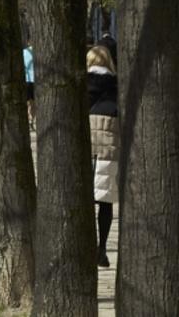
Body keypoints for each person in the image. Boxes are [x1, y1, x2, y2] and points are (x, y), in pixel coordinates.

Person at [87, 45, 119, 268]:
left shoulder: (81, 85)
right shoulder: (116, 86)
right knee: (105, 201)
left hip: (85, 147)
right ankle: (102, 249)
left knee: (84, 200)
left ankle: (85, 246)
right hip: (109, 149)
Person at [22, 42, 35, 128]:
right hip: (34, 80)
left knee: (27, 103)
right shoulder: (38, 52)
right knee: (33, 103)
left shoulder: (23, 52)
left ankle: (28, 119)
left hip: (26, 80)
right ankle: (31, 120)